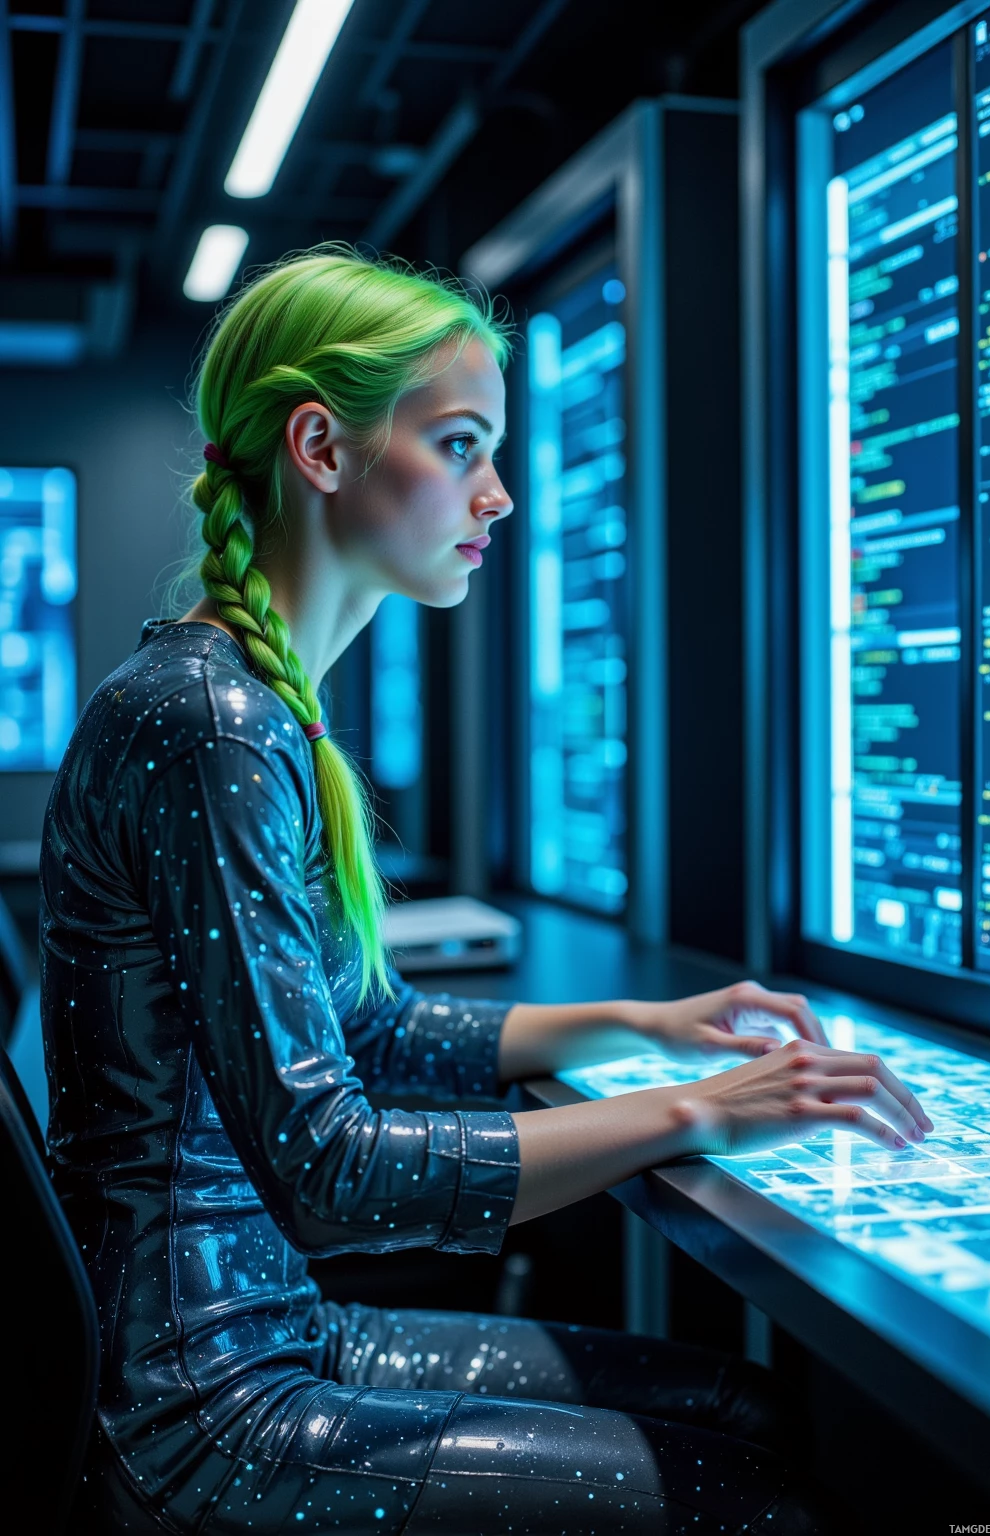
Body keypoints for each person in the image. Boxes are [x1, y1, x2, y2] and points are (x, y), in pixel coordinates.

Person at [41, 246, 931, 1536]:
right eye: (461, 445)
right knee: (770, 1504)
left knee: (752, 1408)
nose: (499, 494)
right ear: (322, 448)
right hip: (199, 1410)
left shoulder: (247, 703)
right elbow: (330, 1170)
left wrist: (639, 1026)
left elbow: (366, 1032)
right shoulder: (209, 723)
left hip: (264, 1326)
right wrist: (701, 1110)